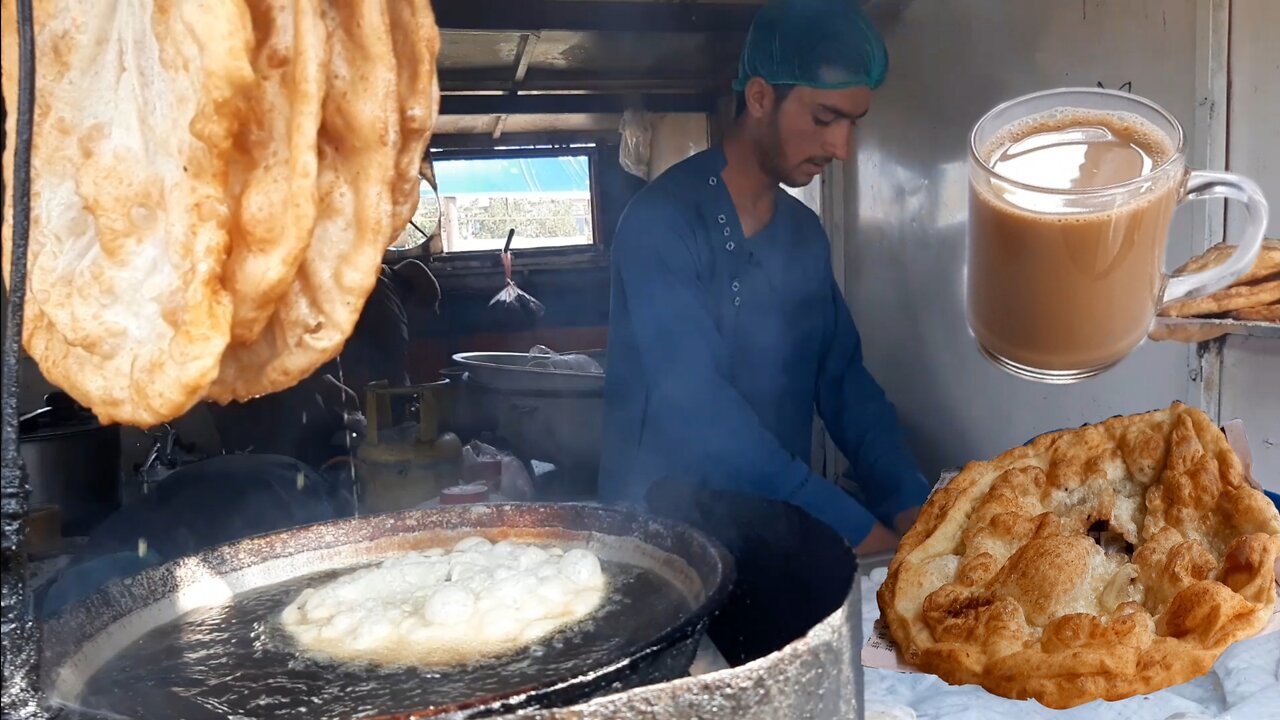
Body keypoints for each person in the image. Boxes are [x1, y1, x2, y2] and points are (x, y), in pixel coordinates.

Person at [599, 0, 929, 660]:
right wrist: (855, 528)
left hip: (774, 533)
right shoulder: (663, 224)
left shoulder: (803, 237)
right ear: (758, 97)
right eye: (825, 118)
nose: (842, 146)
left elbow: (844, 382)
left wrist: (913, 507)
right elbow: (700, 418)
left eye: (853, 123)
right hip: (665, 548)